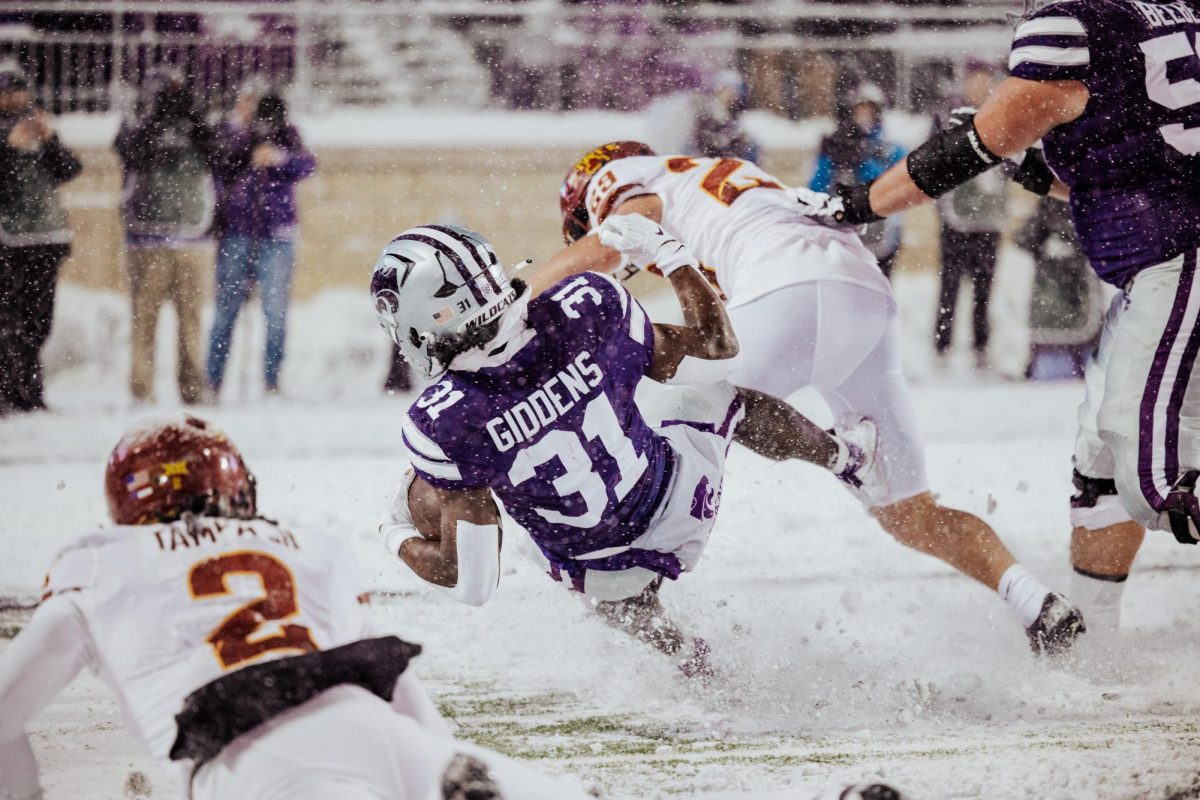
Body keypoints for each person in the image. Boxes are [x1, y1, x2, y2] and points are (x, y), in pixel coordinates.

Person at [527, 141, 1084, 654]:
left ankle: (657, 616)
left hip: (785, 290)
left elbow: (627, 226)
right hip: (862, 299)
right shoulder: (708, 180)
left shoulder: (627, 179)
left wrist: (511, 300)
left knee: (654, 425)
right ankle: (1035, 602)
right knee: (910, 512)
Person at [797, 0, 1200, 634]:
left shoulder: (1075, 25)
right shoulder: (1170, 19)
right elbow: (1127, 173)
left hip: (1180, 261)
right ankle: (1096, 647)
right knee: (1101, 474)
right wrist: (1030, 170)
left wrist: (859, 204)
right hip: (1161, 266)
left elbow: (974, 147)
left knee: (1152, 474)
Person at [0, 414, 610, 800]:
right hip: (377, 730)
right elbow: (391, 683)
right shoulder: (307, 549)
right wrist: (441, 758)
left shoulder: (105, 561)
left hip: (255, 755)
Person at [371, 219, 879, 671]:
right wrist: (672, 254)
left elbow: (474, 583)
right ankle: (845, 457)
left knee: (441, 487)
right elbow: (717, 353)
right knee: (718, 394)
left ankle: (688, 659)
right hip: (677, 506)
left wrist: (392, 531)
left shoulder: (437, 422)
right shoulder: (586, 305)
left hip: (594, 569)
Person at [114, 67, 218, 406]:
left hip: (193, 236)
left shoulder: (197, 121)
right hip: (146, 238)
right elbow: (129, 152)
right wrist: (153, 119)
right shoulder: (137, 122)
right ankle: (141, 390)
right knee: (144, 320)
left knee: (191, 322)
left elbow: (222, 153)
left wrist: (195, 115)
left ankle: (192, 389)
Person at [206, 90, 315, 398]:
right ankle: (212, 381)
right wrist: (245, 148)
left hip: (277, 233)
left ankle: (271, 381)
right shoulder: (227, 134)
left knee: (275, 311)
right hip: (236, 232)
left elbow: (306, 164)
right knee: (225, 311)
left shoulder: (286, 133)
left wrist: (278, 157)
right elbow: (218, 164)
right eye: (244, 101)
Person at [0, 60, 81, 413]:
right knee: (7, 321)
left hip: (46, 238)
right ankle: (7, 392)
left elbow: (69, 170)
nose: (15, 99)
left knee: (38, 321)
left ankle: (30, 392)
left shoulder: (40, 126)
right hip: (7, 240)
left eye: (20, 91)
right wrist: (6, 146)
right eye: (8, 92)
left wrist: (49, 140)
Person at [933, 62, 1008, 370]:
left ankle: (981, 346)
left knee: (984, 288)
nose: (981, 86)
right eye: (976, 80)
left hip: (988, 219)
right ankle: (942, 345)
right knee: (949, 286)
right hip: (955, 218)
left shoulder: (1002, 114)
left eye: (986, 81)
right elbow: (931, 161)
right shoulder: (946, 118)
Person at [809, 83, 904, 278]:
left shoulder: (891, 149)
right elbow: (816, 189)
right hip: (841, 236)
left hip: (880, 237)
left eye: (869, 111)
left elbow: (891, 188)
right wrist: (830, 158)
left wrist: (862, 162)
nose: (864, 117)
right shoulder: (837, 144)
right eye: (859, 111)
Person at [1016, 196, 1103, 382]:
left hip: (1062, 294)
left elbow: (1025, 238)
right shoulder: (1088, 200)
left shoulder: (1052, 201)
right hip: (1063, 291)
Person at [692, 69, 760, 163]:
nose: (731, 95)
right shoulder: (708, 112)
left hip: (730, 159)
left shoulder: (734, 112)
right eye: (728, 91)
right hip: (710, 160)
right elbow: (703, 141)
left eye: (735, 92)